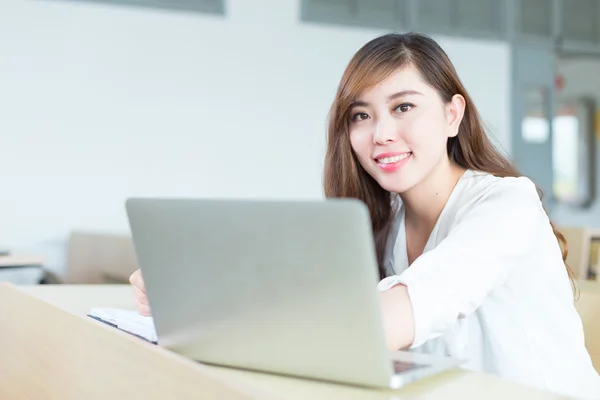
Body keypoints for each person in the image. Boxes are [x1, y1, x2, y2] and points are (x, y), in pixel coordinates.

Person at [129, 33, 600, 398]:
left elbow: (377, 325)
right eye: (361, 115)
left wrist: (221, 314)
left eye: (403, 107)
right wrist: (193, 286)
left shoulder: (507, 205)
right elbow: (309, 292)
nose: (381, 134)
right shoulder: (385, 221)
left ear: (453, 115)